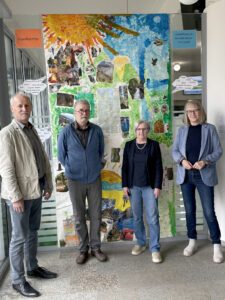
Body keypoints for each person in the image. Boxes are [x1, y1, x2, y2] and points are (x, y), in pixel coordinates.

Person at [0, 93, 57, 298]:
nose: (24, 109)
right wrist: (15, 197)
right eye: (20, 106)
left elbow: (42, 159)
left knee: (32, 231)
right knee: (18, 237)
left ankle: (32, 267)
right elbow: (6, 170)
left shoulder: (31, 129)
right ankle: (17, 280)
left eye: (26, 105)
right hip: (20, 196)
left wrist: (48, 184)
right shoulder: (7, 134)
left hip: (36, 190)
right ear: (13, 109)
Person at [172, 99, 224, 263]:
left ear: (200, 112)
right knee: (189, 211)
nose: (192, 114)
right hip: (186, 176)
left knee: (209, 211)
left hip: (204, 175)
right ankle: (192, 241)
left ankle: (216, 245)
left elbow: (218, 151)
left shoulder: (210, 129)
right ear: (186, 114)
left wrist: (205, 161)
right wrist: (181, 161)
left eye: (195, 110)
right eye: (189, 111)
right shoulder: (182, 130)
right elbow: (174, 151)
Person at [58, 99, 107, 264]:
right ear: (74, 112)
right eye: (80, 110)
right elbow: (61, 156)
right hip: (75, 181)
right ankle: (83, 250)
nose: (83, 113)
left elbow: (101, 152)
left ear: (89, 112)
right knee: (79, 217)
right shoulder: (65, 132)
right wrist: (72, 168)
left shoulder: (97, 131)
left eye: (86, 110)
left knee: (96, 215)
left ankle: (96, 248)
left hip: (94, 179)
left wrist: (94, 168)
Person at [122, 120, 163, 263]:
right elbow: (125, 167)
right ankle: (140, 243)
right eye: (139, 129)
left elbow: (158, 167)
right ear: (135, 131)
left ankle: (155, 249)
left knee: (152, 218)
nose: (141, 132)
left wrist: (157, 186)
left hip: (150, 187)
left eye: (144, 129)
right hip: (134, 187)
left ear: (148, 130)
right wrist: (125, 185)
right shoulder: (129, 146)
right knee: (137, 217)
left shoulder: (154, 145)